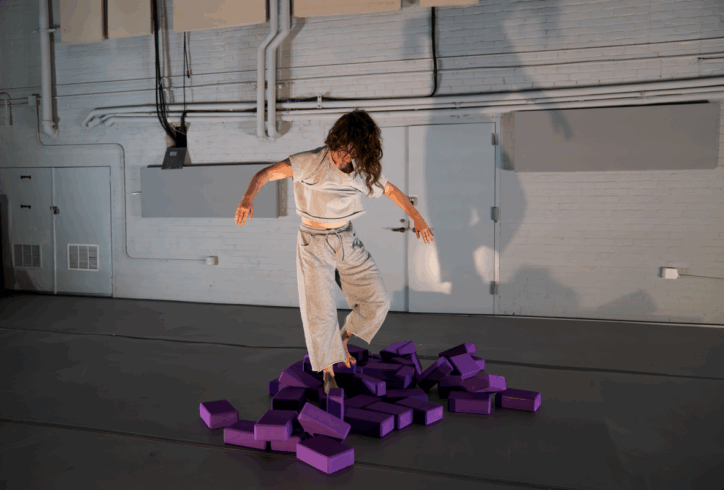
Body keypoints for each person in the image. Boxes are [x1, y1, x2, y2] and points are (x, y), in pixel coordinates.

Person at [235, 110, 434, 394]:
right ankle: (328, 371)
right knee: (320, 310)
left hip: (345, 238)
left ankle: (343, 338)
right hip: (313, 242)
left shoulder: (364, 170)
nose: (343, 157)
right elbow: (266, 174)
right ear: (335, 140)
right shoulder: (309, 161)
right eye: (340, 149)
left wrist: (417, 217)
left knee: (377, 301)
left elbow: (390, 191)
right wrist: (247, 198)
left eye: (351, 152)